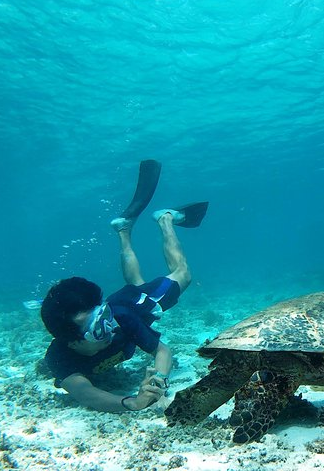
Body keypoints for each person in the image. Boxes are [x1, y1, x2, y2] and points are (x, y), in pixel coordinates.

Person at [41, 161, 208, 413]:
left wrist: (158, 380)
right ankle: (123, 230)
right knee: (136, 283)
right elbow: (86, 394)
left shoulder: (122, 320)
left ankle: (165, 219)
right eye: (99, 327)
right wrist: (132, 402)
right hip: (126, 300)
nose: (110, 326)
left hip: (135, 306)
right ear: (72, 342)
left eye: (103, 315)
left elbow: (163, 351)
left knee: (182, 275)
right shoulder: (59, 358)